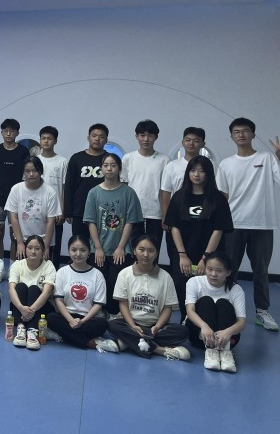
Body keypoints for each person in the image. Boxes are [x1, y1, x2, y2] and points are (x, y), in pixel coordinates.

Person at [216, 117, 280, 331]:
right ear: (231, 136)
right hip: (234, 225)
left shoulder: (267, 158)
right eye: (236, 132)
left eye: (245, 131)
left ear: (253, 134)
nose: (241, 135)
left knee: (261, 271)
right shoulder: (226, 164)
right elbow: (222, 198)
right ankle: (227, 309)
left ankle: (262, 311)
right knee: (229, 270)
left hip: (262, 224)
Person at [165, 156, 232, 320]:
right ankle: (185, 318)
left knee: (206, 287)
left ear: (208, 174)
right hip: (183, 252)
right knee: (180, 284)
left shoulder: (217, 199)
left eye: (202, 171)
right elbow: (174, 227)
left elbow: (218, 230)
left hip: (209, 254)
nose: (196, 174)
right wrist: (182, 255)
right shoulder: (179, 196)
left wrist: (205, 258)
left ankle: (203, 321)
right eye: (193, 170)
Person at [105, 233, 190, 360]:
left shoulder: (165, 277)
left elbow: (168, 308)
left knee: (183, 331)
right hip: (131, 324)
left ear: (156, 254)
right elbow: (123, 304)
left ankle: (128, 342)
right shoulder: (124, 274)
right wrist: (133, 326)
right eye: (141, 249)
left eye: (151, 251)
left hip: (155, 327)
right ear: (134, 251)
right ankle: (158, 349)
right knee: (111, 325)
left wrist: (157, 326)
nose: (146, 255)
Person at [83, 152, 142, 314]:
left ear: (119, 169)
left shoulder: (129, 193)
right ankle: (98, 313)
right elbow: (91, 222)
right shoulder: (93, 193)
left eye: (113, 165)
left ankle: (115, 315)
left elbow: (130, 222)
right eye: (106, 165)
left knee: (115, 284)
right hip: (98, 249)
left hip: (120, 250)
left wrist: (121, 247)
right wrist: (98, 248)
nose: (109, 169)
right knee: (98, 284)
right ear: (101, 168)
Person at [184, 252, 247, 373]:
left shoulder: (236, 289)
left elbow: (242, 322)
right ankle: (211, 351)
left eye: (219, 271)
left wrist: (228, 331)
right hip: (199, 337)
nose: (213, 274)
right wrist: (204, 326)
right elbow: (190, 311)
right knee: (206, 301)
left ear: (228, 272)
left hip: (228, 339)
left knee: (223, 303)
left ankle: (225, 352)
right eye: (210, 269)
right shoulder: (194, 282)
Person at [47, 235, 109, 350]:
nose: (78, 254)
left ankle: (65, 335)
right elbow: (59, 300)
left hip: (88, 318)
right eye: (74, 250)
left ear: (89, 252)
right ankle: (87, 342)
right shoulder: (62, 272)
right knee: (51, 318)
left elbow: (98, 304)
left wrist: (82, 321)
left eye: (83, 250)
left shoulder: (97, 275)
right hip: (67, 316)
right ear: (69, 251)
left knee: (103, 324)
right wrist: (71, 320)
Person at [121, 120, 169, 260]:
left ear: (156, 137)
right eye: (142, 135)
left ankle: (152, 272)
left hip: (156, 212)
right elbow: (123, 187)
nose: (146, 139)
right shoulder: (128, 158)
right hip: (133, 211)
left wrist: (165, 214)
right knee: (134, 249)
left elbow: (165, 190)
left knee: (153, 249)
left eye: (150, 135)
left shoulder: (164, 160)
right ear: (137, 136)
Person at [6, 156, 60, 261]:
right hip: (23, 240)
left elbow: (51, 221)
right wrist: (20, 242)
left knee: (43, 270)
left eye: (35, 170)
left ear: (41, 171)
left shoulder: (50, 192)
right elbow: (14, 218)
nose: (31, 174)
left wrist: (46, 247)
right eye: (27, 171)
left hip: (43, 241)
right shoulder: (16, 189)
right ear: (23, 172)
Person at [0, 118, 30, 259]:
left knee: (15, 234)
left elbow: (25, 173)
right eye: (5, 131)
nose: (8, 134)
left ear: (17, 133)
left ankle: (14, 265)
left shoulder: (23, 151)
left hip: (17, 199)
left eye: (12, 131)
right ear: (1, 132)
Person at [8, 236, 56, 350]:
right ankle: (20, 329)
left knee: (34, 289)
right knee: (20, 287)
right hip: (21, 309)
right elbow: (11, 289)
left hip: (41, 308)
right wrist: (21, 308)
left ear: (43, 251)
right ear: (25, 249)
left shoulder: (48, 265)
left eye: (37, 248)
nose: (33, 251)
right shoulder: (17, 264)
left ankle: (32, 331)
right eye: (29, 248)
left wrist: (29, 312)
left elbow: (46, 292)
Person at [64, 123, 108, 240]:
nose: (97, 139)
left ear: (106, 140)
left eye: (101, 136)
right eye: (94, 135)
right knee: (80, 244)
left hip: (103, 211)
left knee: (101, 245)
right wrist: (68, 212)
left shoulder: (109, 159)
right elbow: (69, 185)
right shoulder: (76, 158)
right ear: (88, 138)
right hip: (79, 211)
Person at [159, 126, 207, 230]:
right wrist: (165, 216)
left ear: (203, 144)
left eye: (196, 141)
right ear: (182, 142)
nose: (191, 143)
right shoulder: (172, 166)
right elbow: (166, 193)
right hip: (177, 212)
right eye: (188, 140)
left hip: (202, 213)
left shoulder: (209, 165)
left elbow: (214, 189)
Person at [36, 126, 68, 268]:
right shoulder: (35, 160)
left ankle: (53, 271)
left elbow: (64, 187)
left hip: (56, 211)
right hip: (37, 209)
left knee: (55, 244)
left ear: (55, 141)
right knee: (37, 242)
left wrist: (62, 210)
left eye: (49, 138)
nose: (46, 141)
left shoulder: (62, 161)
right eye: (43, 138)